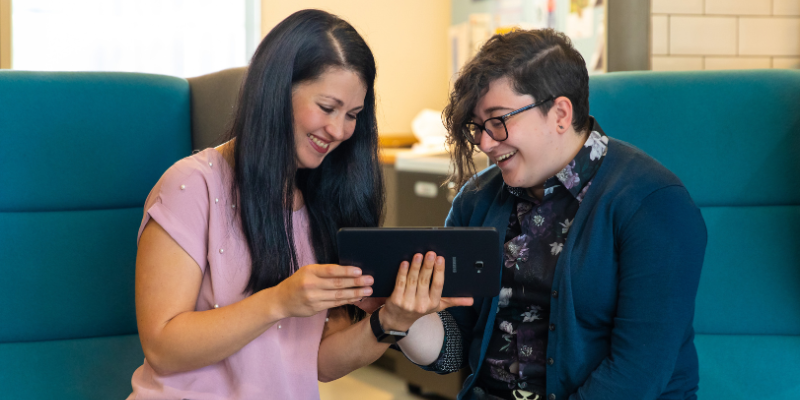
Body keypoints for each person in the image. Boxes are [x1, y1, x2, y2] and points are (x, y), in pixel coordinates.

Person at [128, 9, 470, 400]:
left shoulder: (324, 200)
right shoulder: (191, 186)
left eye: (353, 115)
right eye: (327, 108)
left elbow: (320, 362)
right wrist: (279, 301)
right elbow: (163, 349)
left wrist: (389, 322)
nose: (340, 130)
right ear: (276, 91)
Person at [394, 29, 708, 400]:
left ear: (560, 113)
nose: (484, 142)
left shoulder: (652, 204)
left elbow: (637, 373)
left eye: (498, 120)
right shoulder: (475, 201)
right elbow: (455, 348)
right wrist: (403, 319)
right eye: (479, 126)